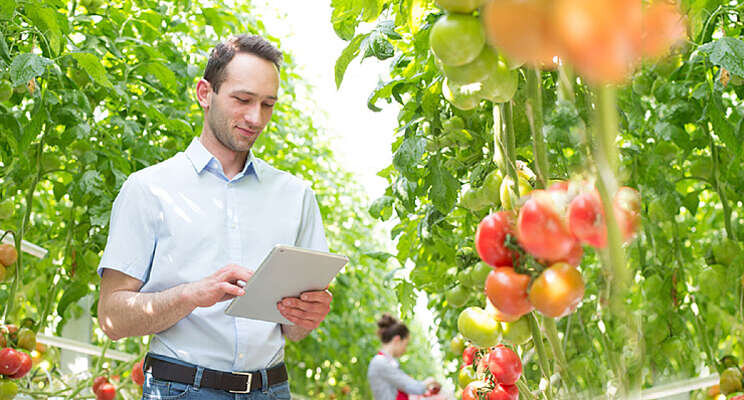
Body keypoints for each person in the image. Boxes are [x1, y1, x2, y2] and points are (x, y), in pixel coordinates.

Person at [96, 34, 333, 399]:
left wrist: (307, 315)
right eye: (242, 100)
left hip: (271, 389)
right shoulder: (148, 189)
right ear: (205, 93)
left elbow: (294, 331)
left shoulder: (296, 196)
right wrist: (192, 295)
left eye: (268, 104)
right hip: (181, 388)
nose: (256, 118)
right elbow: (112, 318)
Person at [368, 314, 441, 400]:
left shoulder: (387, 362)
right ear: (397, 340)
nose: (405, 349)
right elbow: (416, 388)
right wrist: (430, 381)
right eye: (405, 344)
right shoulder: (380, 363)